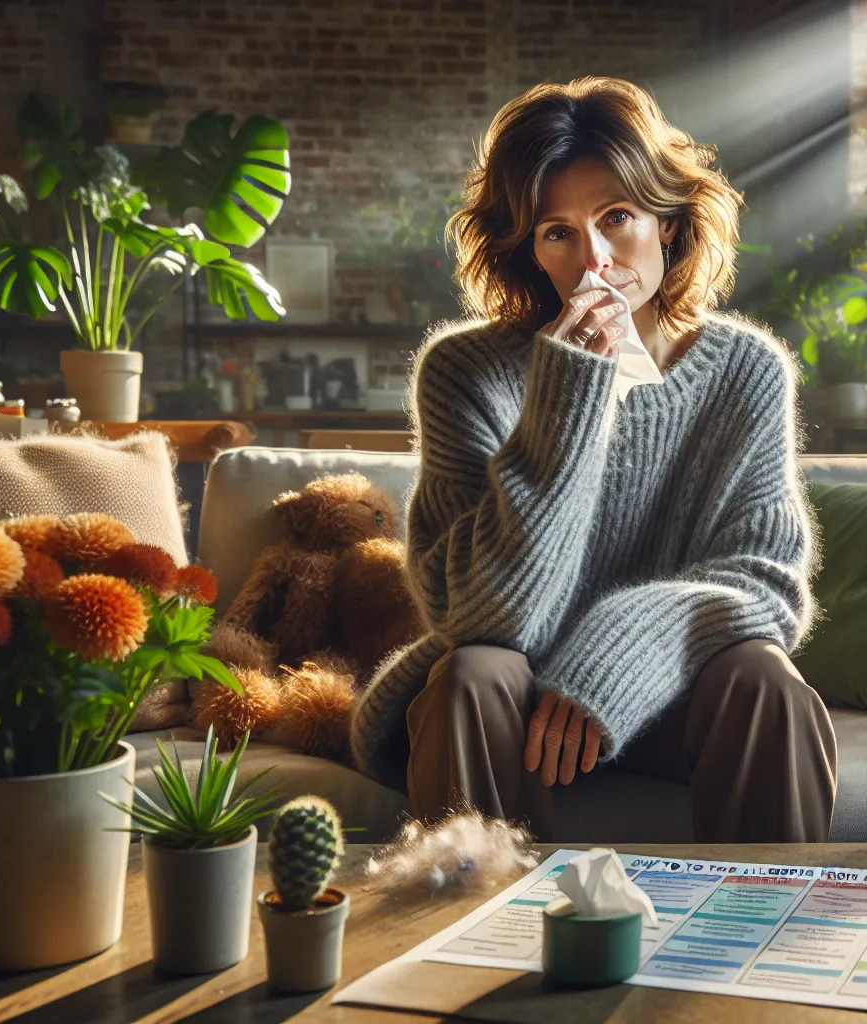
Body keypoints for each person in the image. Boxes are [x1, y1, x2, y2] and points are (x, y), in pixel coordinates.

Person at [348, 76, 836, 843]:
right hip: (505, 706)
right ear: (528, 251)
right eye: (558, 232)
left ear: (668, 224)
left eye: (617, 219)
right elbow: (480, 615)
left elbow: (764, 584)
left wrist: (618, 651)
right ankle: (469, 944)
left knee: (765, 676)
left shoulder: (748, 369)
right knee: (474, 672)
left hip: (670, 700)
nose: (596, 261)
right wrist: (567, 399)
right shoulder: (464, 370)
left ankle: (766, 936)